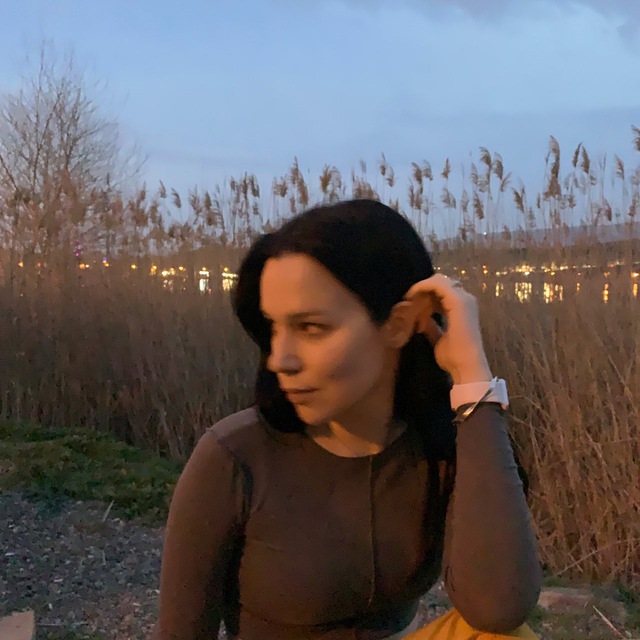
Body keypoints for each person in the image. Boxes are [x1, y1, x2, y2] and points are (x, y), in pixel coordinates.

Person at [153, 199, 543, 640]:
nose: (280, 359)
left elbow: (499, 607)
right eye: (274, 328)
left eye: (311, 328)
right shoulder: (234, 457)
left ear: (398, 325)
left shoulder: (439, 448)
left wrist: (473, 378)